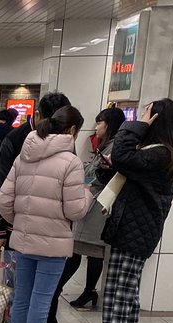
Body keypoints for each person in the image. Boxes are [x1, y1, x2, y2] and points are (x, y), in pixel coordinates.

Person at [77, 99, 173, 323]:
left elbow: (125, 158)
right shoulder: (158, 153)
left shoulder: (160, 153)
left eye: (146, 114)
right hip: (136, 231)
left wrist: (132, 128)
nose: (141, 117)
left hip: (133, 233)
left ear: (156, 120)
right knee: (127, 294)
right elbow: (123, 168)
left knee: (116, 296)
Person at [0, 106, 89, 323]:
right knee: (41, 301)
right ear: (72, 131)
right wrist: (88, 195)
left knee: (22, 298)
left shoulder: (24, 155)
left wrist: (21, 220)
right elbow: (75, 211)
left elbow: (3, 200)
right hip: (53, 243)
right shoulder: (71, 162)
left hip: (23, 239)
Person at [54, 107, 126, 311]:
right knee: (81, 248)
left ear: (109, 124)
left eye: (100, 122)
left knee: (90, 249)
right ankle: (84, 291)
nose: (97, 127)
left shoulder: (114, 148)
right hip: (90, 200)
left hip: (99, 203)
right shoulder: (104, 147)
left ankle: (83, 290)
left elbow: (96, 174)